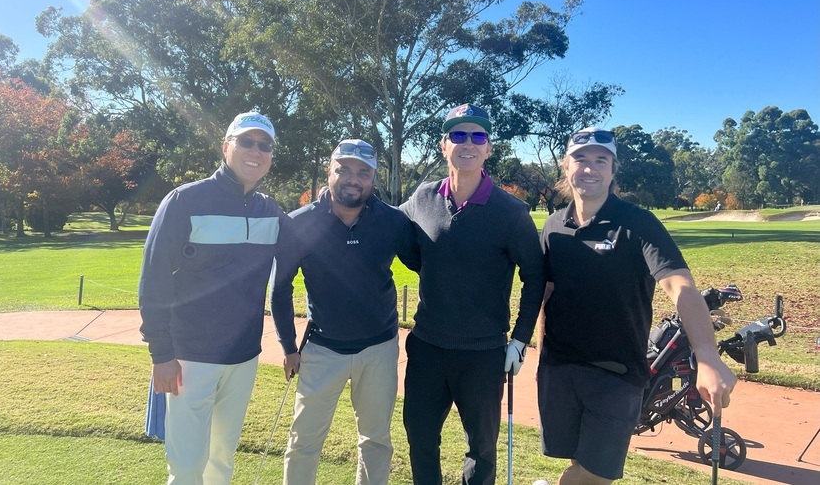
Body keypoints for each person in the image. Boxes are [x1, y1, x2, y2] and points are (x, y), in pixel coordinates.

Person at [536, 127, 738, 484]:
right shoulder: (553, 226)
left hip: (618, 374)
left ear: (614, 170)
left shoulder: (637, 223)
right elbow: (547, 292)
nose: (590, 168)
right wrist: (541, 358)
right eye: (580, 159)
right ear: (566, 167)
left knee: (596, 474)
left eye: (601, 160)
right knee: (578, 461)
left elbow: (679, 285)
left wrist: (707, 355)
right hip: (560, 369)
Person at [138, 110, 294, 484]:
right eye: (246, 142)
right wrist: (161, 355)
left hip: (243, 358)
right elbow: (153, 281)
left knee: (222, 461)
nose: (256, 151)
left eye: (265, 146)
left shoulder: (270, 211)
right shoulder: (184, 201)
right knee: (187, 466)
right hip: (190, 358)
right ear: (226, 147)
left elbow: (308, 247)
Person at [399, 104, 546, 484]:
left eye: (478, 136)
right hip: (427, 347)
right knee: (420, 439)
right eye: (458, 135)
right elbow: (392, 230)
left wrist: (520, 341)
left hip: (483, 353)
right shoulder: (422, 198)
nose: (468, 143)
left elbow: (535, 276)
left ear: (488, 148)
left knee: (481, 450)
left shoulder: (511, 212)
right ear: (443, 145)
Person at [270, 139, 419, 485]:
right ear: (330, 171)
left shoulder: (393, 221)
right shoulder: (299, 223)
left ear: (373, 178)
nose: (353, 179)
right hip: (322, 349)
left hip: (379, 348)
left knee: (376, 440)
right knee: (304, 440)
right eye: (344, 169)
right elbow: (279, 288)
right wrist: (288, 347)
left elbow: (428, 265)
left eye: (363, 172)